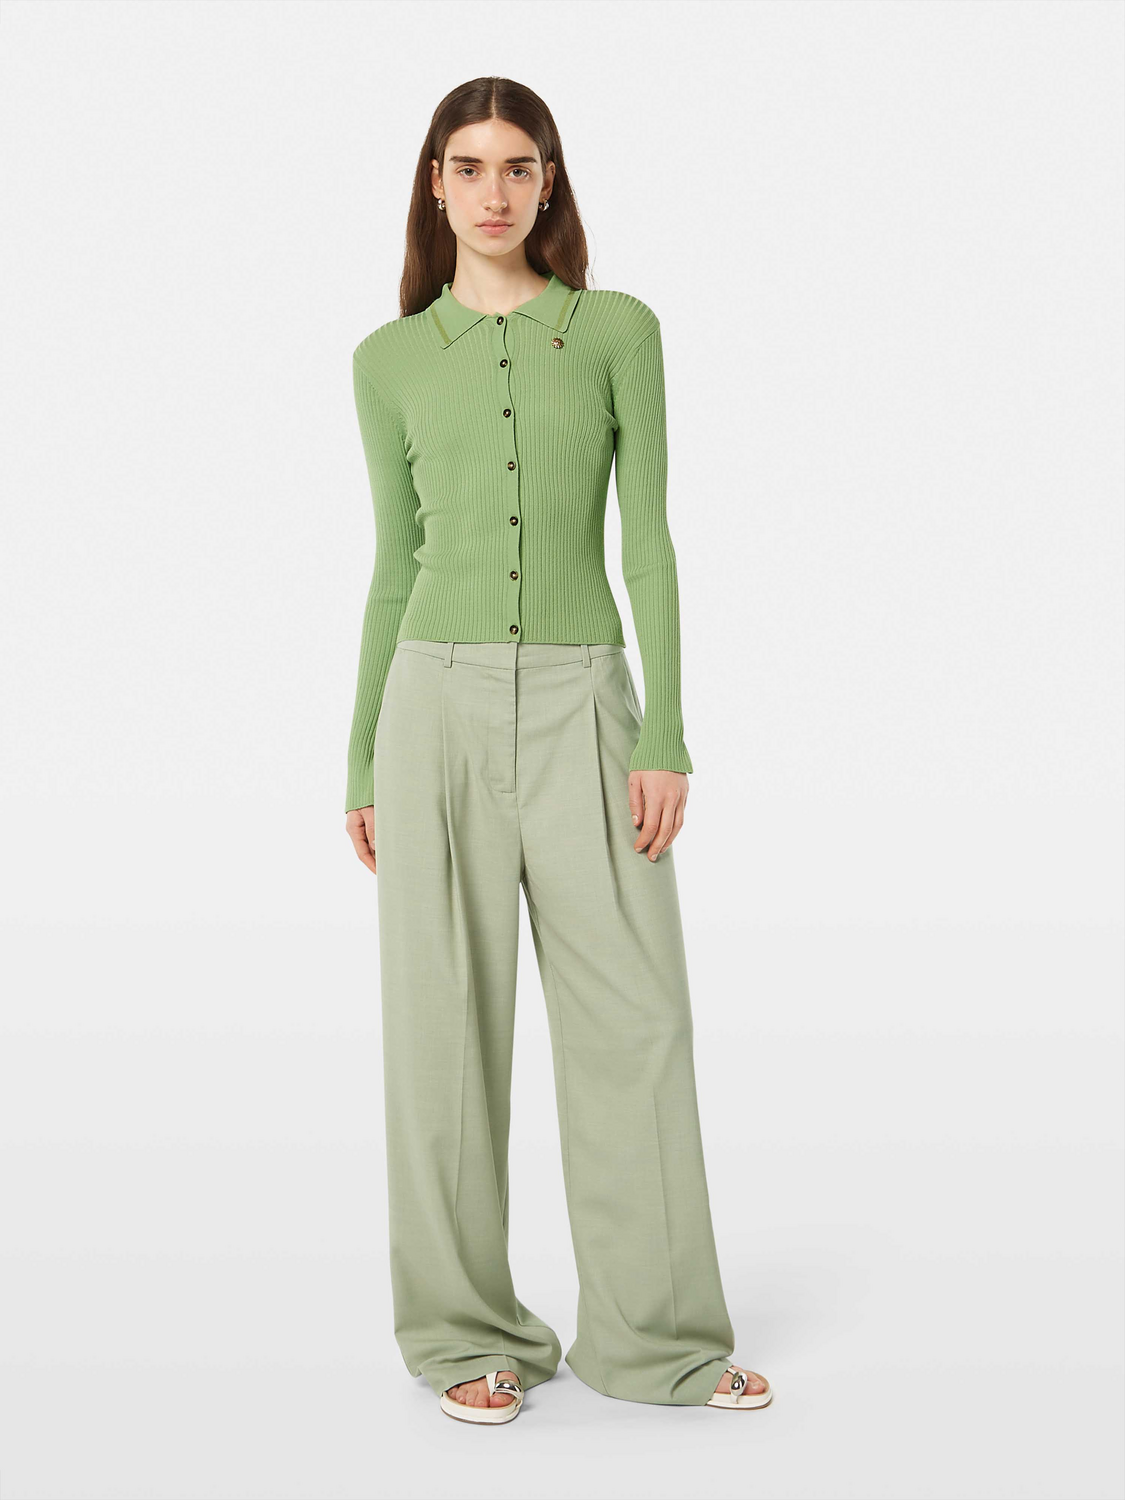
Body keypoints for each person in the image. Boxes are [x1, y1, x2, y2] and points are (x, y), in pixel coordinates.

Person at [343, 75, 772, 1424]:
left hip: (588, 703)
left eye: (517, 166)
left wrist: (667, 730)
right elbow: (396, 561)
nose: (494, 191)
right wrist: (359, 760)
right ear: (436, 183)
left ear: (549, 181)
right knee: (442, 1033)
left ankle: (660, 1340)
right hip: (432, 710)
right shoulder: (388, 361)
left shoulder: (617, 332)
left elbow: (650, 540)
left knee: (637, 1022)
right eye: (468, 167)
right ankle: (464, 1333)